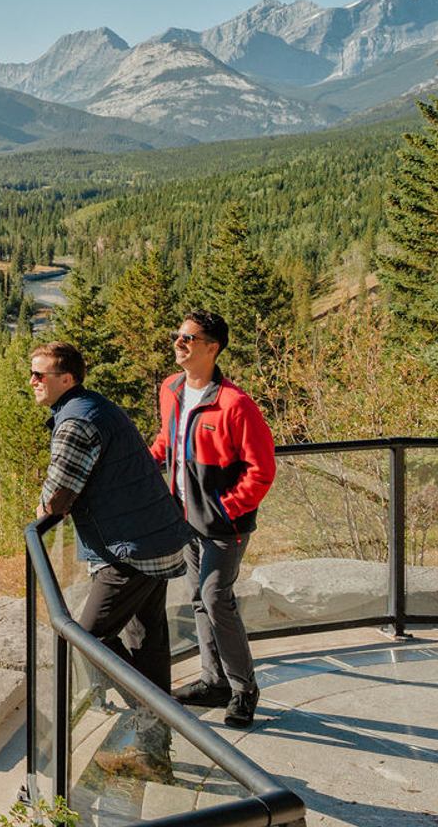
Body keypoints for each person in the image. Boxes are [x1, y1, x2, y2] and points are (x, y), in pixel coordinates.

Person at [33, 341, 193, 779]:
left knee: (88, 638)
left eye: (39, 375)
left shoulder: (74, 423)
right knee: (147, 637)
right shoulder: (93, 407)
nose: (32, 382)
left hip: (130, 550)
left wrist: (40, 514)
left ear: (66, 379)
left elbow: (56, 500)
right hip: (153, 537)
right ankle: (152, 751)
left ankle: (153, 718)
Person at [150, 309, 277, 729]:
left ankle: (244, 688)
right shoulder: (171, 389)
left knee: (216, 598)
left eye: (188, 338)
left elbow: (261, 469)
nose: (178, 343)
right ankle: (213, 680)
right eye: (177, 335)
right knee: (198, 601)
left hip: (224, 526)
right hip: (185, 521)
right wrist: (141, 467)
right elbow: (167, 443)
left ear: (212, 347)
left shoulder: (235, 404)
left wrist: (227, 507)